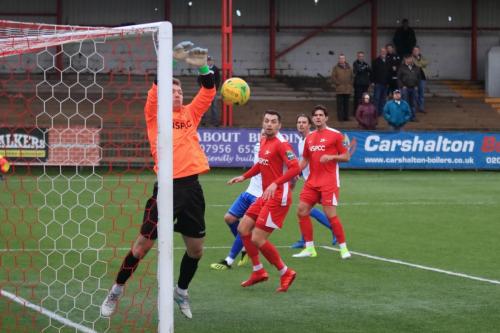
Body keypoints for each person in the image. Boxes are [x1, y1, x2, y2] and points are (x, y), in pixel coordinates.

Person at [100, 41, 216, 319]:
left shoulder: (190, 113)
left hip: (191, 189)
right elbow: (157, 83)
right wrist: (173, 61)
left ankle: (181, 291)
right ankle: (116, 290)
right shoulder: (154, 115)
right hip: (165, 188)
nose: (176, 93)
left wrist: (201, 64)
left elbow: (209, 89)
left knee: (196, 250)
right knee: (142, 246)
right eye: (172, 89)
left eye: (179, 90)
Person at [228, 110, 300, 292]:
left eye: (273, 121)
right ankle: (258, 271)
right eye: (266, 121)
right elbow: (261, 165)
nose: (269, 124)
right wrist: (244, 176)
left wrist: (276, 183)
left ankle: (286, 272)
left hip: (279, 197)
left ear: (279, 125)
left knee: (257, 237)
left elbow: (295, 168)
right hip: (266, 195)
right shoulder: (263, 140)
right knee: (243, 228)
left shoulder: (282, 144)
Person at [293, 105, 351, 259]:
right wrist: (295, 173)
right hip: (312, 182)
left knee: (330, 214)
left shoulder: (336, 135)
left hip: (329, 182)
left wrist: (331, 157)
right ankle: (310, 248)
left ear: (326, 118)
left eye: (321, 115)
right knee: (301, 210)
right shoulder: (309, 138)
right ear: (313, 119)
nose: (318, 117)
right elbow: (305, 159)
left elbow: (346, 157)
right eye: (315, 115)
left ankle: (344, 249)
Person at [209, 130, 265, 270]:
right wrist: (243, 177)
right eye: (262, 133)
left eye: (266, 133)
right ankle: (247, 246)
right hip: (249, 191)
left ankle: (228, 261)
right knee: (229, 218)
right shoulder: (258, 145)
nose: (263, 135)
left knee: (244, 227)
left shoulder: (278, 147)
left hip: (261, 196)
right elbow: (256, 168)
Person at [290, 114, 337, 249]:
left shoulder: (313, 138)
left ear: (309, 125)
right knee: (304, 210)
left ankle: (331, 229)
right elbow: (304, 160)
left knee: (307, 210)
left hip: (319, 180)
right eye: (299, 122)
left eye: (304, 122)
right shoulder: (302, 141)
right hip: (310, 180)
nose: (301, 125)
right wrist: (297, 172)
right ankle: (305, 239)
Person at [199, 55, 221, 126]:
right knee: (203, 106)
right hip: (204, 91)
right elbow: (199, 79)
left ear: (212, 61)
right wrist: (202, 87)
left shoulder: (216, 69)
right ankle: (203, 121)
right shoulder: (203, 69)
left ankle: (215, 122)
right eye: (207, 61)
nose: (209, 62)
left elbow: (218, 80)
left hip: (213, 91)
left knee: (214, 106)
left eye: (210, 60)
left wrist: (215, 89)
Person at [397, 55, 421, 121]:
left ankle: (413, 117)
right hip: (405, 89)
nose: (410, 60)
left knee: (413, 103)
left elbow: (419, 78)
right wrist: (402, 86)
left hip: (414, 88)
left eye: (411, 59)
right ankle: (405, 117)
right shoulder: (401, 68)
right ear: (406, 60)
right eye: (409, 59)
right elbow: (398, 78)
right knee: (405, 103)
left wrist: (417, 86)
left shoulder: (417, 68)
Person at [331, 54, 353, 121]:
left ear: (345, 59)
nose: (341, 60)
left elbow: (352, 77)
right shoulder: (335, 68)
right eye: (340, 58)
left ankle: (346, 117)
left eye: (343, 58)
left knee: (346, 104)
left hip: (347, 89)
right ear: (339, 59)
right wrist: (338, 83)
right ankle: (340, 118)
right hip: (339, 89)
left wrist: (350, 84)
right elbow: (333, 77)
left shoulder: (349, 67)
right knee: (339, 105)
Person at [371, 47, 391, 116]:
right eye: (382, 51)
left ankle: (382, 112)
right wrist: (373, 82)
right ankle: (375, 112)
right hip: (378, 83)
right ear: (380, 52)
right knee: (376, 99)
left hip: (386, 83)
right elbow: (372, 72)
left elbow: (390, 72)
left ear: (386, 52)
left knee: (383, 99)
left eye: (384, 52)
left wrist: (389, 82)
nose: (383, 53)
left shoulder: (389, 61)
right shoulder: (375, 61)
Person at [412, 46, 429, 114]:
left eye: (417, 50)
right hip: (414, 79)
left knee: (421, 94)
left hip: (422, 78)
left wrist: (419, 61)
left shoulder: (423, 57)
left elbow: (426, 62)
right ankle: (415, 107)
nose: (416, 52)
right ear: (412, 51)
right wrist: (420, 63)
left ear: (419, 51)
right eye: (414, 50)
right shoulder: (410, 58)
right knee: (415, 94)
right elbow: (417, 65)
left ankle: (421, 108)